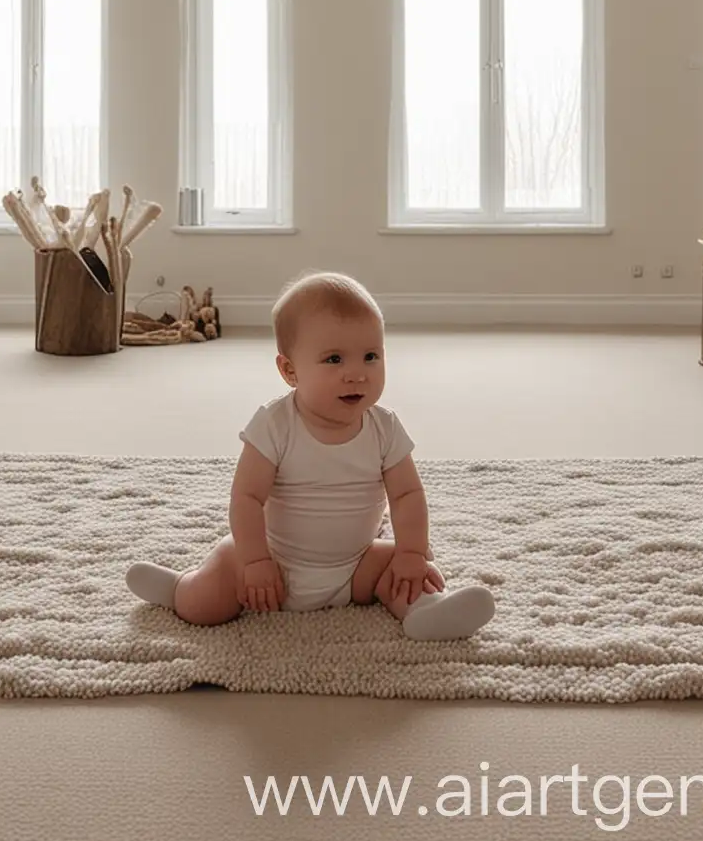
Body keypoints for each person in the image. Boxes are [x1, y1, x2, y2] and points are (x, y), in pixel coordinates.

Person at [126, 271, 496, 641]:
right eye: (334, 359)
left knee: (409, 571)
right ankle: (179, 589)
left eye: (371, 356)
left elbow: (407, 495)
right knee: (207, 602)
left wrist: (411, 554)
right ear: (290, 370)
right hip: (276, 563)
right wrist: (255, 562)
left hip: (355, 565)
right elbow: (247, 498)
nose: (357, 374)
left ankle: (426, 611)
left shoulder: (384, 428)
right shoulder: (273, 425)